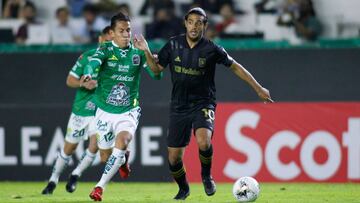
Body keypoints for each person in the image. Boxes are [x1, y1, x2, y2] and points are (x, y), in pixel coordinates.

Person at [132, 7, 273, 200]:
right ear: (185, 23)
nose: (194, 26)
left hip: (203, 103)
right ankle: (183, 188)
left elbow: (236, 67)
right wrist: (147, 50)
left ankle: (206, 176)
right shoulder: (173, 45)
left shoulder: (211, 48)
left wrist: (258, 88)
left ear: (205, 26)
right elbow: (156, 71)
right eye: (191, 22)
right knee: (173, 158)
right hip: (179, 106)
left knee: (204, 141)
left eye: (199, 22)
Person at [41, 26, 131, 195]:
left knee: (94, 146)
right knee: (69, 148)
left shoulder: (116, 59)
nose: (107, 45)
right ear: (99, 40)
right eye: (105, 41)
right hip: (81, 111)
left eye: (110, 42)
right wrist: (83, 83)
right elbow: (70, 80)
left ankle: (76, 174)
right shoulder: (87, 57)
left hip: (100, 111)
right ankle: (53, 180)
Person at [83, 12, 162, 201]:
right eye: (122, 31)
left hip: (128, 111)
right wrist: (88, 74)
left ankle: (99, 188)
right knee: (105, 157)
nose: (127, 34)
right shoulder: (105, 50)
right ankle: (123, 159)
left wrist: (147, 52)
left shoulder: (138, 52)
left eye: (128, 30)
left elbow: (157, 75)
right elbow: (92, 63)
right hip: (104, 111)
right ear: (112, 33)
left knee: (123, 140)